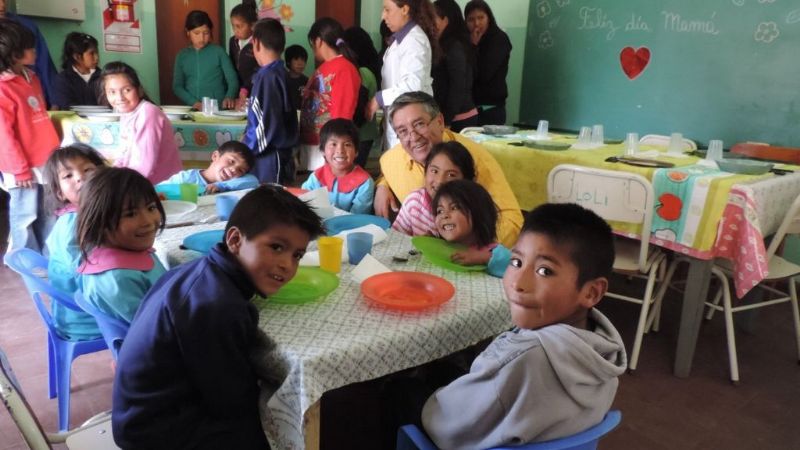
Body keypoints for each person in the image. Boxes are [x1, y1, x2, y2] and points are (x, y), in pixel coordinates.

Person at [112, 185, 325, 450]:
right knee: (267, 428)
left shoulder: (202, 271)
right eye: (276, 247)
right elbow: (231, 400)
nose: (287, 265)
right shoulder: (218, 307)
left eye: (297, 255)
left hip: (140, 412)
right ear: (235, 240)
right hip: (154, 430)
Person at [421, 202, 627, 449]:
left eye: (544, 271)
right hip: (544, 430)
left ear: (592, 292)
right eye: (516, 262)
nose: (518, 283)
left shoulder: (521, 360)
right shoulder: (605, 350)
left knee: (400, 391)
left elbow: (443, 427)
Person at [375, 91, 522, 247]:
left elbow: (512, 221)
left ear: (440, 122)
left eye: (419, 124)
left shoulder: (474, 159)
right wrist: (383, 185)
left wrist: (469, 248)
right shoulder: (391, 160)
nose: (414, 137)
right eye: (403, 131)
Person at [76, 167, 167, 325]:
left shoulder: (130, 247)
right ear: (99, 222)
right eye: (130, 214)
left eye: (151, 208)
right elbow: (156, 327)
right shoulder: (118, 279)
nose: (147, 221)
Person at [0, 18, 59, 254]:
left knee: (48, 213)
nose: (35, 51)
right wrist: (19, 169)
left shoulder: (32, 78)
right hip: (21, 167)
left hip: (44, 161)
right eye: (29, 47)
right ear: (13, 54)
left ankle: (48, 259)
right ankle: (25, 260)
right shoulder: (3, 87)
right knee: (25, 216)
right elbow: (4, 136)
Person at [43, 144, 106, 341]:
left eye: (87, 169)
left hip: (80, 311)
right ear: (60, 193)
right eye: (68, 176)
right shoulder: (74, 224)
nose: (80, 177)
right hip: (85, 318)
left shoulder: (85, 215)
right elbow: (91, 277)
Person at [367, 0, 438, 149]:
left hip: (411, 126)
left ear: (405, 9)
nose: (383, 16)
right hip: (402, 122)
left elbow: (413, 85)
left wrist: (379, 98)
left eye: (387, 10)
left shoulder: (414, 41)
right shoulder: (401, 40)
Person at [100, 61, 182, 184]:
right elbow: (123, 155)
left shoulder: (148, 113)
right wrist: (111, 176)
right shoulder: (127, 115)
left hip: (161, 186)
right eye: (112, 92)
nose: (120, 97)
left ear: (139, 90)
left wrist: (119, 185)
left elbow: (144, 165)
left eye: (127, 90)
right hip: (139, 182)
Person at [242, 18, 298, 184]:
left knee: (269, 197)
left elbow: (266, 123)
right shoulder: (279, 72)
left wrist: (245, 148)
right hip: (275, 153)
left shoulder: (267, 76)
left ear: (256, 43)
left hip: (269, 156)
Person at [299, 17, 361, 153]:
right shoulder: (322, 68)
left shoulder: (345, 69)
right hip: (312, 145)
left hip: (327, 147)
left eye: (312, 43)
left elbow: (342, 115)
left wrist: (335, 149)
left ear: (318, 41)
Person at [393, 141, 474, 237]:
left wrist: (437, 243)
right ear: (425, 173)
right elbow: (394, 239)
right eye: (434, 171)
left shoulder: (471, 210)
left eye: (451, 175)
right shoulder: (414, 202)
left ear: (466, 181)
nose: (440, 181)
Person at [431, 179, 510, 277]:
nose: (444, 215)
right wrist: (430, 242)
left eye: (454, 207)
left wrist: (483, 258)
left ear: (479, 213)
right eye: (440, 211)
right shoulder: (445, 246)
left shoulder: (493, 251)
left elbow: (516, 265)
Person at [301, 118, 374, 214]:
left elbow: (357, 218)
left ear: (356, 151)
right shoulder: (316, 177)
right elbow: (304, 202)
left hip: (351, 223)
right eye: (333, 144)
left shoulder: (364, 183)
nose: (340, 150)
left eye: (347, 145)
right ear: (322, 150)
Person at [173, 10, 239, 111]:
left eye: (206, 33)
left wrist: (229, 96)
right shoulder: (182, 56)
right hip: (193, 109)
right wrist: (194, 102)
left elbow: (233, 80)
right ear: (188, 32)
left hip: (217, 110)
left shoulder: (218, 52)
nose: (201, 38)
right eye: (196, 33)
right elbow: (177, 87)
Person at [0, 0, 57, 107]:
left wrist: (55, 101)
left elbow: (44, 65)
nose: (2, 5)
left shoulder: (25, 26)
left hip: (32, 99)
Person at [432, 0, 478, 131]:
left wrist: (447, 119)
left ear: (445, 21)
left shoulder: (454, 46)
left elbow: (458, 86)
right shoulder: (442, 45)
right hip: (450, 116)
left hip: (459, 119)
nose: (429, 23)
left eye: (433, 18)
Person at [464, 0, 511, 126]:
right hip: (470, 109)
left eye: (481, 18)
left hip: (491, 108)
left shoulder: (499, 39)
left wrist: (473, 47)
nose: (476, 23)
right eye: (471, 19)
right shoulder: (465, 41)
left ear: (488, 18)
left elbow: (484, 73)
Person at [344, 26, 382, 169]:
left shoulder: (361, 72)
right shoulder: (370, 70)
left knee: (351, 173)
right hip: (367, 133)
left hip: (359, 133)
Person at [159, 140, 258, 195]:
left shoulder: (233, 184)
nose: (234, 170)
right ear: (215, 156)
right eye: (231, 161)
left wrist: (221, 186)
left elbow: (253, 180)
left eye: (240, 170)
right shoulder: (186, 178)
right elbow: (158, 191)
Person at [51, 32, 101, 110]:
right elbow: (66, 107)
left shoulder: (104, 77)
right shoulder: (63, 80)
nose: (97, 57)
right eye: (91, 53)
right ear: (77, 57)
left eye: (97, 52)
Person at [229, 0, 259, 110]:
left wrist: (245, 88)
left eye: (239, 26)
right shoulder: (233, 41)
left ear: (252, 25)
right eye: (233, 26)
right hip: (238, 92)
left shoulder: (258, 43)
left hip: (255, 91)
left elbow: (259, 70)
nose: (236, 31)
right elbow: (232, 67)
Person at [284, 44, 308, 112]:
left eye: (303, 60)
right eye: (296, 59)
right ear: (288, 61)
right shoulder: (283, 80)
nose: (300, 63)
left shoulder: (307, 81)